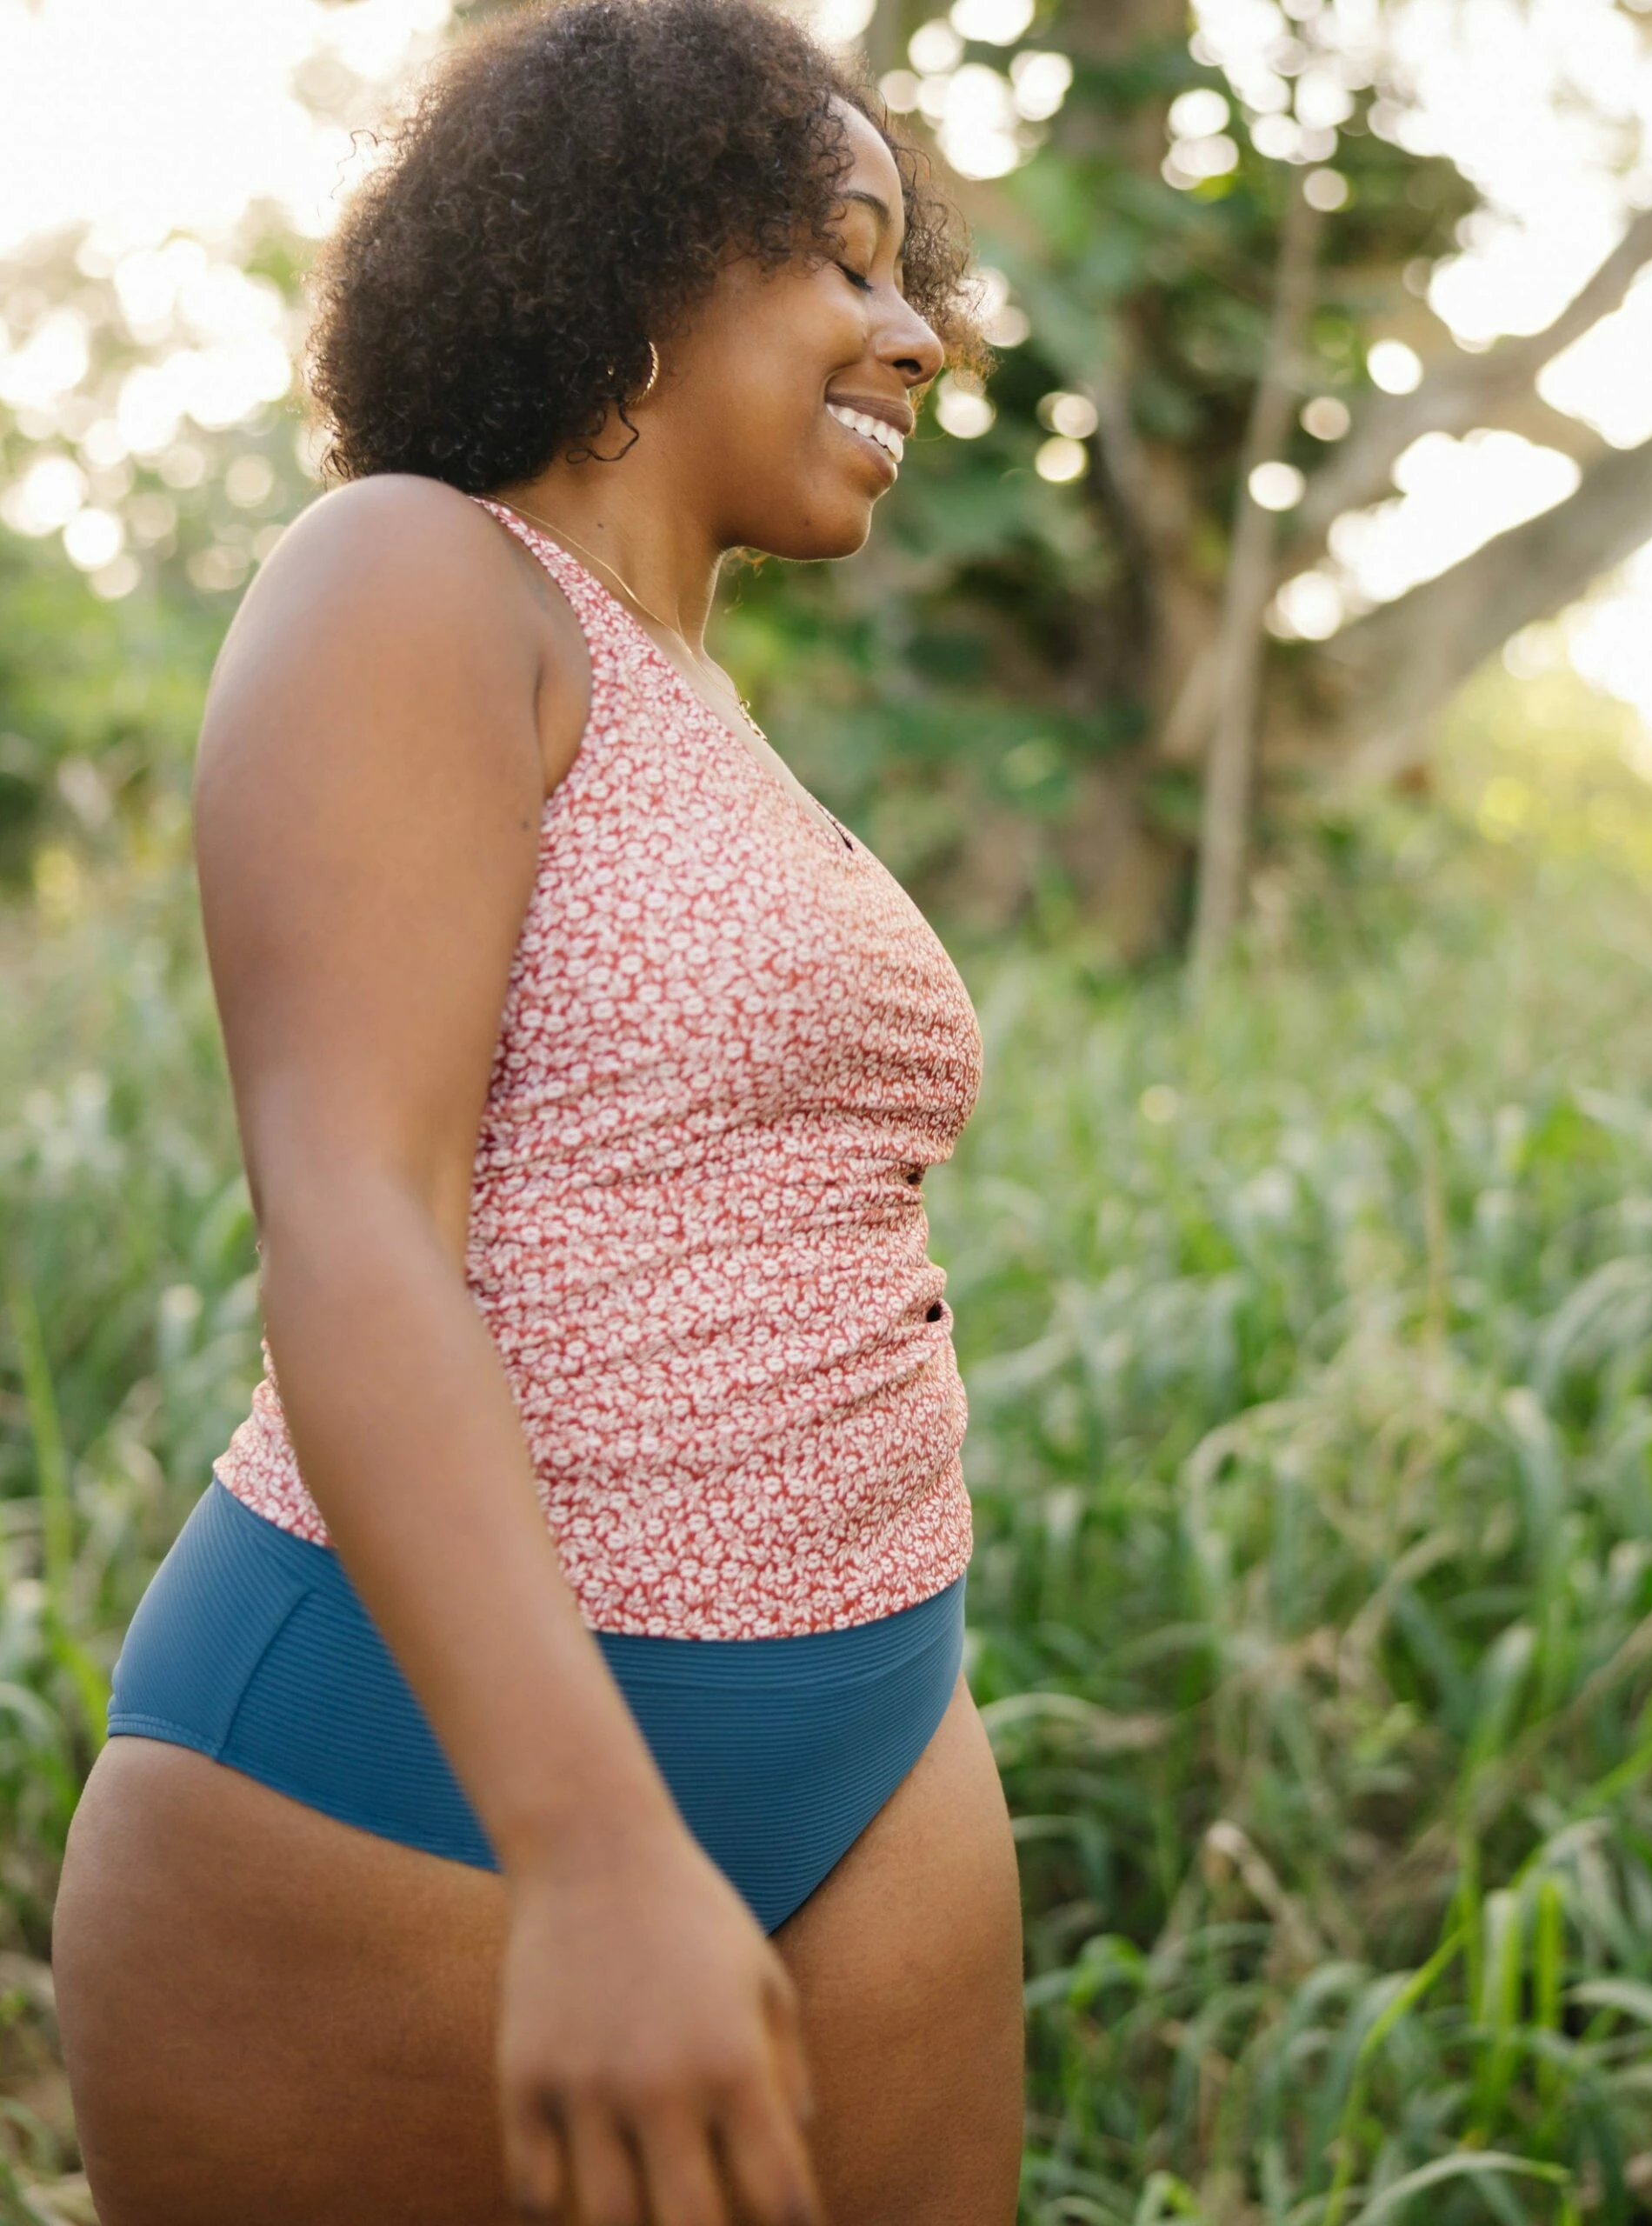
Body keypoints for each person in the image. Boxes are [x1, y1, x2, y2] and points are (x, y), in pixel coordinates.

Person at [50, 4, 1024, 2220]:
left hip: (871, 1729)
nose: (916, 337)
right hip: (423, 1784)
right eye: (847, 259)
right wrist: (591, 1843)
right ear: (636, 260)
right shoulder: (412, 574)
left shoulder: (696, 700)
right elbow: (348, 1212)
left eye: (913, 282)